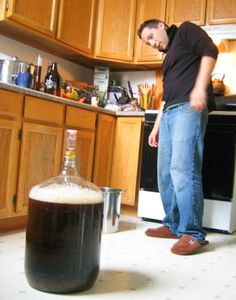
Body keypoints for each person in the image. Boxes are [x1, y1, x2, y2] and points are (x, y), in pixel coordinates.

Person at [137, 19, 218, 255]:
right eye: (147, 42)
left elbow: (210, 51)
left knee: (184, 169)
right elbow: (166, 97)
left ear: (161, 26)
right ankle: (173, 225)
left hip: (188, 109)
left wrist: (199, 88)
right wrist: (156, 127)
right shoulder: (169, 56)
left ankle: (193, 234)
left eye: (151, 36)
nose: (151, 43)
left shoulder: (185, 31)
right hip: (171, 113)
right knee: (166, 173)